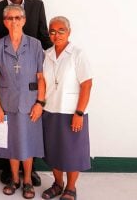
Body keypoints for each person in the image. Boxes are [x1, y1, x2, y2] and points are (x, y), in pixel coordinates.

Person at [0, 0, 51, 186]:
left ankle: (28, 175)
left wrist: (55, 63)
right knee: (9, 135)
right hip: (6, 85)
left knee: (28, 135)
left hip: (29, 87)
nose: (14, 21)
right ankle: (11, 175)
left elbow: (44, 37)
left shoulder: (37, 9)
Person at [41, 16, 93, 200]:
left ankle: (71, 187)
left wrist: (79, 113)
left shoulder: (77, 54)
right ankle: (57, 184)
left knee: (72, 152)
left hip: (72, 112)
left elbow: (87, 84)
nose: (56, 35)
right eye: (52, 31)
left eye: (61, 30)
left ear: (69, 32)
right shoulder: (46, 54)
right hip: (51, 110)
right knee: (54, 150)